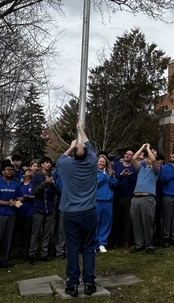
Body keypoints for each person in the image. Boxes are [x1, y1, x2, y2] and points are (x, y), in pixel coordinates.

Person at [56, 122, 98, 297]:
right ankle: (89, 282)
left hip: (71, 213)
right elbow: (89, 145)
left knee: (72, 248)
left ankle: (72, 284)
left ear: (74, 154)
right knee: (88, 248)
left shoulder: (66, 165)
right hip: (88, 212)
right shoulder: (92, 162)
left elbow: (60, 159)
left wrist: (71, 147)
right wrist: (81, 130)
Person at [130, 142, 160, 252]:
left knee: (148, 222)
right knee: (136, 222)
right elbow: (134, 158)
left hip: (148, 197)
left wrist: (148, 149)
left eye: (149, 156)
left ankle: (149, 244)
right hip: (136, 197)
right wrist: (142, 147)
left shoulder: (156, 170)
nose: (148, 158)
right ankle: (139, 244)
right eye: (146, 157)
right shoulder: (141, 169)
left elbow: (153, 160)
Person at [95, 155, 117, 253]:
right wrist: (103, 176)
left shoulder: (109, 173)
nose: (101, 163)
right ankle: (93, 244)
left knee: (106, 223)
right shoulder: (93, 173)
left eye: (103, 162)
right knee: (95, 223)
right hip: (97, 201)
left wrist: (111, 177)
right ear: (97, 162)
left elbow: (115, 185)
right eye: (100, 161)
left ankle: (102, 243)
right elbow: (95, 184)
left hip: (108, 202)